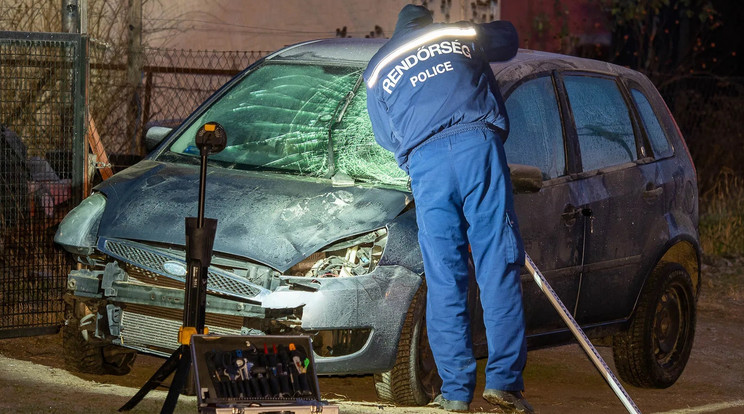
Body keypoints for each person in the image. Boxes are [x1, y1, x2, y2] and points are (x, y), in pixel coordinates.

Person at [363, 4, 532, 413]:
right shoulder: (456, 35)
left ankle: (455, 393)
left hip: (427, 165)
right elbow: (508, 39)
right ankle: (504, 385)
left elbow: (387, 136)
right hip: (478, 148)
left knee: (444, 277)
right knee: (497, 263)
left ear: (396, 29)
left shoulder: (377, 68)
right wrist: (467, 32)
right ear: (428, 22)